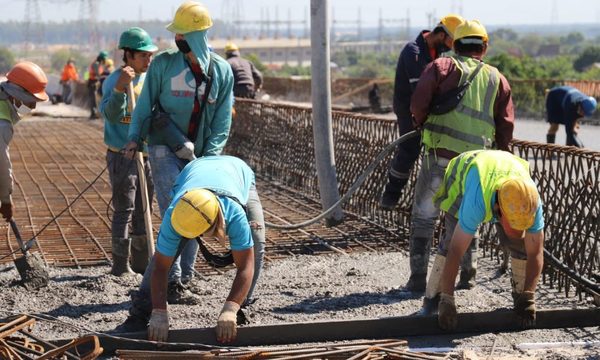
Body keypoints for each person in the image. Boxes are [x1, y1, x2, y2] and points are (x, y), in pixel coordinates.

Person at [124, 1, 247, 304]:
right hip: (163, 144)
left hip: (200, 154)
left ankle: (185, 276)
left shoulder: (220, 72)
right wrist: (134, 136)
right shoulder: (164, 64)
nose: (177, 39)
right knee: (176, 210)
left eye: (182, 34)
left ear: (196, 36)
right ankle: (172, 280)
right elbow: (144, 104)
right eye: (176, 34)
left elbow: (222, 120)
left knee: (198, 209)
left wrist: (210, 156)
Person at [408, 19, 515, 297]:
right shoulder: (497, 79)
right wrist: (502, 159)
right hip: (475, 165)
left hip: (438, 155)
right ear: (484, 46)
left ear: (455, 44)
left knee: (424, 217)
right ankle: (468, 275)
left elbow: (418, 104)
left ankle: (419, 279)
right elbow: (505, 127)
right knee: (466, 218)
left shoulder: (441, 67)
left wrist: (422, 124)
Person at [125, 155, 265, 343]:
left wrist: (230, 309)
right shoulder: (175, 214)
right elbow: (160, 266)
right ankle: (141, 312)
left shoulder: (235, 214)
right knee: (167, 252)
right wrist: (158, 311)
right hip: (195, 172)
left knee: (256, 241)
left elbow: (245, 266)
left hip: (238, 173)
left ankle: (241, 309)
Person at [433, 150, 544, 330]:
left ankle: (520, 300)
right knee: (451, 242)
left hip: (505, 172)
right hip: (466, 171)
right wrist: (448, 299)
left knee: (521, 246)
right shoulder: (476, 200)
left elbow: (535, 252)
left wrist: (529, 296)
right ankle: (434, 299)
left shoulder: (530, 203)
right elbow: (456, 251)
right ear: (498, 210)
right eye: (514, 224)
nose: (520, 230)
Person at [379, 14, 464, 210]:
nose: (452, 47)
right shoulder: (414, 51)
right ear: (441, 34)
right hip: (409, 110)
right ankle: (390, 197)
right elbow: (420, 90)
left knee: (433, 154)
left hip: (426, 108)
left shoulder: (436, 53)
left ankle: (426, 201)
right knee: (409, 150)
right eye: (451, 41)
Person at [100, 27, 158, 276]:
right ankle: (120, 267)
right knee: (125, 210)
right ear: (130, 55)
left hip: (147, 154)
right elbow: (111, 115)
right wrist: (120, 90)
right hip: (122, 156)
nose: (149, 60)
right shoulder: (114, 80)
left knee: (144, 210)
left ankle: (142, 264)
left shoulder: (150, 80)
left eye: (150, 55)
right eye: (144, 55)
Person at [0, 62, 49, 222]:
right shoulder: (2, 124)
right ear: (16, 95)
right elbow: (2, 164)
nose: (33, 107)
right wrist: (6, 200)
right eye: (30, 101)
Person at [88, 50, 108, 119]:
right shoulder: (96, 64)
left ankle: (96, 113)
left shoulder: (98, 64)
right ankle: (93, 113)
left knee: (95, 99)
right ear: (102, 58)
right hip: (93, 83)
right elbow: (98, 74)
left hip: (95, 82)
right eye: (105, 59)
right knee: (93, 99)